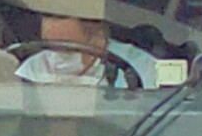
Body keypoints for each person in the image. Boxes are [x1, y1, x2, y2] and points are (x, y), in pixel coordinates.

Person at [13, 14, 163, 89]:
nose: (55, 58)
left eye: (68, 50)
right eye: (49, 47)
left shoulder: (142, 67)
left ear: (98, 39)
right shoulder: (33, 66)